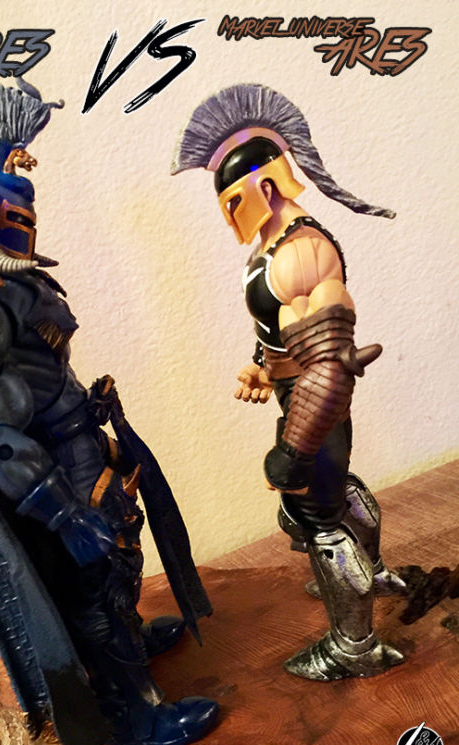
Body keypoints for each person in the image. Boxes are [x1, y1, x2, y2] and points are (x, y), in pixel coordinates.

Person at [0, 80, 217, 745]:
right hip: (54, 473)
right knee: (93, 582)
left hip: (82, 447)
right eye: (14, 203)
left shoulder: (15, 285)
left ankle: (127, 648)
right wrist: (63, 513)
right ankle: (133, 718)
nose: (27, 220)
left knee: (116, 568)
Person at [172, 83, 405, 681]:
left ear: (266, 187)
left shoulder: (300, 254)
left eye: (231, 197)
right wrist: (262, 363)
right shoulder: (274, 246)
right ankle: (373, 572)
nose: (228, 211)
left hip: (314, 404)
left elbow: (329, 367)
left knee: (319, 517)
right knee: (331, 492)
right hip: (294, 392)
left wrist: (293, 450)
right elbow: (279, 329)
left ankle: (354, 646)